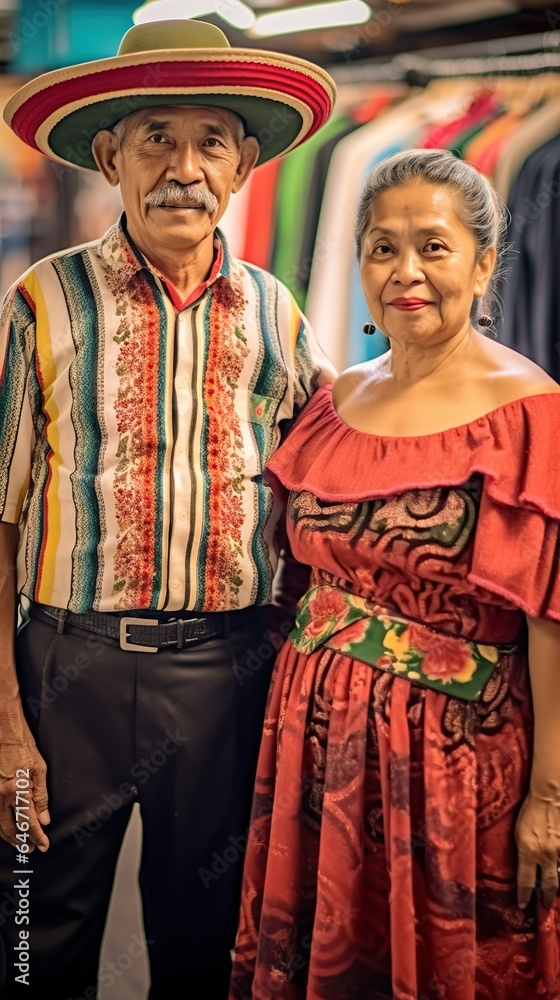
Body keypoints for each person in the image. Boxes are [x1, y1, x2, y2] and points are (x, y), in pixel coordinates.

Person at [0, 18, 337, 1000]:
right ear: (109, 156)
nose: (183, 167)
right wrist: (7, 723)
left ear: (242, 167)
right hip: (67, 669)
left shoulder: (277, 310)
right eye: (155, 138)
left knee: (206, 929)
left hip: (226, 671)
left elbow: (321, 476)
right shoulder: (41, 303)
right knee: (34, 928)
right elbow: (3, 516)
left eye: (210, 142)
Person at [229, 147, 560, 1000]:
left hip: (453, 762)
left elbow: (550, 619)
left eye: (434, 247)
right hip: (314, 739)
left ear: (485, 264)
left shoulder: (532, 415)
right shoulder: (334, 403)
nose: (406, 271)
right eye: (382, 248)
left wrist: (550, 797)